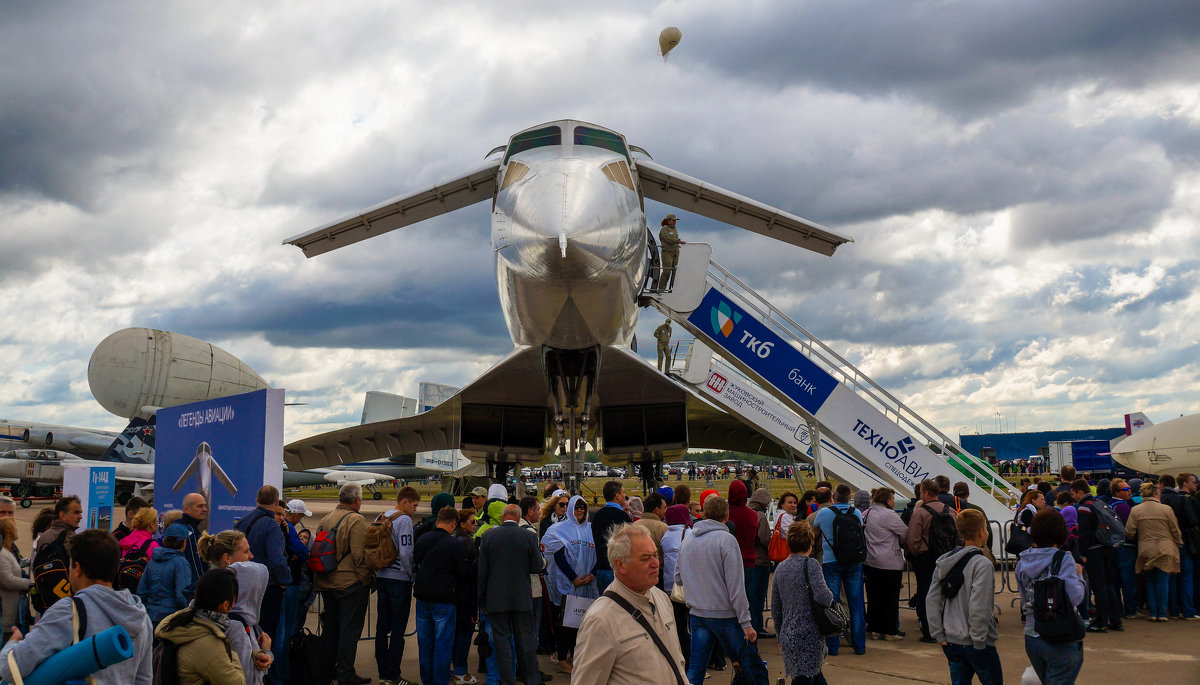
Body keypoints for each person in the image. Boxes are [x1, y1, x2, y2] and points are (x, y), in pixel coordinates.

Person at [0, 529, 154, 684]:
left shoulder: (69, 611)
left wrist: (12, 643)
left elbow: (11, 668)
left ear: (77, 569)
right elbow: (144, 679)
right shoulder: (139, 615)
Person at [573, 524, 687, 685]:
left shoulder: (661, 598)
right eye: (645, 558)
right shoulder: (600, 620)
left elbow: (678, 664)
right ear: (620, 565)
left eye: (655, 555)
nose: (656, 563)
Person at [675, 495, 768, 685]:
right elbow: (736, 587)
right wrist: (746, 623)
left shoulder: (688, 539)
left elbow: (678, 578)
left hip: (697, 613)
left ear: (703, 513)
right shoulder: (726, 540)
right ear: (726, 516)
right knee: (748, 664)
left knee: (696, 668)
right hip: (723, 615)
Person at [927, 509, 1002, 685]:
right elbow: (979, 606)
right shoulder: (982, 564)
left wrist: (939, 634)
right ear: (981, 532)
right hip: (977, 642)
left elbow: (932, 599)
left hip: (951, 640)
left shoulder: (945, 561)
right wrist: (978, 639)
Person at [1016, 508, 1086, 685]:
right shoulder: (1063, 559)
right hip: (1060, 635)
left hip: (1032, 634)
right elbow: (1075, 597)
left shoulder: (1023, 562)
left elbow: (1025, 598)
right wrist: (1079, 576)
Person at [314, 482, 373, 685]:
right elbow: (359, 556)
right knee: (350, 631)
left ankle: (328, 670)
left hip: (327, 582)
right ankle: (346, 674)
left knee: (331, 629)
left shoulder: (326, 518)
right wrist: (366, 580)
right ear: (356, 501)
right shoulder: (356, 520)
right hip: (349, 584)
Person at [478, 504, 544, 685]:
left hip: (496, 598)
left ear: (502, 517)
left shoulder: (488, 536)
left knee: (502, 642)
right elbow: (536, 567)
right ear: (518, 518)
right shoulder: (529, 537)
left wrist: (482, 600)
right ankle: (532, 680)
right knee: (527, 642)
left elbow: (482, 572)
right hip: (522, 597)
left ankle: (507, 680)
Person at [200, 529, 273, 683]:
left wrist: (259, 654)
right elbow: (246, 678)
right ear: (227, 558)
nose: (251, 556)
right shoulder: (235, 623)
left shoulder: (203, 607)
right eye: (246, 551)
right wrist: (266, 652)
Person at [155, 568, 247, 684]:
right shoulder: (208, 644)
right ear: (226, 605)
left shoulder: (181, 621)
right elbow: (238, 683)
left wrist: (254, 655)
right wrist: (230, 651)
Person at [771, 521, 832, 685]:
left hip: (789, 631)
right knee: (807, 676)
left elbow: (775, 607)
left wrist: (779, 634)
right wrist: (830, 594)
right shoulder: (811, 565)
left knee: (811, 675)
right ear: (810, 543)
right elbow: (824, 597)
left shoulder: (781, 568)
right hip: (810, 631)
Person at [542, 495, 597, 674]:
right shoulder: (559, 529)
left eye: (582, 507)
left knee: (582, 622)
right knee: (565, 622)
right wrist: (573, 578)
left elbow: (600, 554)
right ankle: (562, 657)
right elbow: (557, 556)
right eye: (576, 507)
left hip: (587, 584)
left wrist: (591, 575)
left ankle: (576, 656)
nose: (579, 510)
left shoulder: (592, 529)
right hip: (567, 584)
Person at [414, 506, 469, 685]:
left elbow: (416, 562)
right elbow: (463, 573)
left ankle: (427, 680)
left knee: (425, 644)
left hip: (423, 597)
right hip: (444, 599)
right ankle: (440, 681)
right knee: (442, 645)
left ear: (438, 521)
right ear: (453, 524)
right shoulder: (454, 545)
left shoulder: (422, 539)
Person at [235, 485, 290, 660]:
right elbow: (276, 559)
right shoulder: (272, 527)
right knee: (267, 635)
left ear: (257, 501)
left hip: (241, 584)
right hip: (267, 587)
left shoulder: (243, 521)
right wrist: (285, 580)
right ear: (276, 502)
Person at [375, 486, 419, 685]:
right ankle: (394, 675)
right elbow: (406, 552)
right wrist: (412, 575)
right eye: (415, 505)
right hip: (399, 580)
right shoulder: (404, 520)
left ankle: (383, 673)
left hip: (382, 576)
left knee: (381, 629)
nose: (415, 510)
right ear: (405, 502)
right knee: (398, 632)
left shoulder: (382, 516)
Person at [907, 479, 958, 643]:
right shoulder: (950, 511)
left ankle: (929, 630)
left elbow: (913, 539)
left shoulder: (920, 512)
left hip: (926, 557)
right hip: (948, 556)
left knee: (926, 593)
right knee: (947, 592)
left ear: (926, 493)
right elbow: (958, 535)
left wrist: (916, 553)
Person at [1071, 478, 1122, 632]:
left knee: (1098, 586)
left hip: (1093, 550)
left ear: (1080, 492)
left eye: (1074, 493)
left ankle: (1101, 621)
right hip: (1107, 546)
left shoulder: (1084, 508)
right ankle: (1115, 620)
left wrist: (1083, 553)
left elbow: (1084, 533)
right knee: (1109, 585)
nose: (1073, 496)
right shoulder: (1098, 503)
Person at [1126, 482, 1183, 621]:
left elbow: (1129, 531)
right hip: (1165, 547)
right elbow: (1174, 529)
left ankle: (1153, 612)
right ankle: (1162, 613)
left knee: (1150, 581)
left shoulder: (1136, 510)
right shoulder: (1166, 509)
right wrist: (1179, 541)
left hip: (1145, 548)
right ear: (1157, 494)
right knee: (1163, 581)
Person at [863, 487, 908, 641]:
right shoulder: (889, 514)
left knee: (874, 597)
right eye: (893, 499)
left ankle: (874, 628)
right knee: (890, 598)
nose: (894, 502)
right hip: (889, 562)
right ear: (887, 500)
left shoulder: (866, 513)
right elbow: (905, 533)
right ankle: (889, 630)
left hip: (870, 561)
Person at [276, 499, 311, 684]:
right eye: (302, 516)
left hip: (286, 584)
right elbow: (304, 553)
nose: (301, 519)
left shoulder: (285, 528)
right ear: (295, 514)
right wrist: (298, 554)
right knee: (286, 631)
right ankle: (283, 673)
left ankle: (282, 671)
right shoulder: (288, 528)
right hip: (290, 585)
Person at [1158, 474, 1198, 619]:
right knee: (1187, 576)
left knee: (1171, 576)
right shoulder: (1181, 500)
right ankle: (1188, 610)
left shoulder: (1160, 500)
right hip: (1182, 540)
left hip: (1165, 542)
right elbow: (1192, 521)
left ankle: (1173, 610)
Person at [451, 509, 481, 685]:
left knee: (454, 634)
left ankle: (455, 667)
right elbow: (470, 575)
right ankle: (461, 671)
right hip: (465, 597)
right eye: (472, 522)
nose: (476, 524)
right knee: (464, 634)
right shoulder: (468, 543)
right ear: (462, 524)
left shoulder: (452, 539)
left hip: (453, 595)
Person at [137, 532, 191, 626]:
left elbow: (141, 592)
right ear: (184, 542)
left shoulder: (151, 563)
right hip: (170, 619)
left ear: (164, 541)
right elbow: (182, 595)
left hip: (150, 617)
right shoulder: (181, 562)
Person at [165, 492, 210, 599]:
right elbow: (196, 567)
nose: (205, 509)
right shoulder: (190, 532)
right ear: (187, 509)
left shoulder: (174, 528)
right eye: (200, 506)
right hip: (187, 595)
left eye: (205, 505)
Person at [662, 504, 692, 662]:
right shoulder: (689, 534)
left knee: (676, 625)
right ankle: (689, 656)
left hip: (669, 587)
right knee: (688, 626)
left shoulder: (665, 536)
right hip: (686, 586)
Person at [592, 481, 631, 593]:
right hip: (615, 570)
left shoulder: (597, 516)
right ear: (617, 495)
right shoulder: (622, 516)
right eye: (623, 492)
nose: (625, 495)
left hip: (600, 569)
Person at [746, 487, 773, 637]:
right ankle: (757, 626)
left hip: (748, 561)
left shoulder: (747, 512)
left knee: (750, 596)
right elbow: (764, 539)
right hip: (760, 560)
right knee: (759, 596)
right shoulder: (761, 516)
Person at [0, 518, 31, 642]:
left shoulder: (7, 552)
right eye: (15, 527)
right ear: (9, 532)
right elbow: (6, 580)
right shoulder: (2, 554)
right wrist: (28, 584)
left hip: (10, 611)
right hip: (6, 615)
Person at [658, 213, 685, 290]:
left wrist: (678, 243)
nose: (675, 222)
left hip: (675, 252)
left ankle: (674, 289)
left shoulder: (674, 229)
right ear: (668, 220)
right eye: (673, 220)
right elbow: (667, 239)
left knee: (675, 272)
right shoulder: (664, 229)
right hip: (667, 252)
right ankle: (661, 289)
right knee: (667, 271)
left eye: (675, 220)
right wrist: (678, 241)